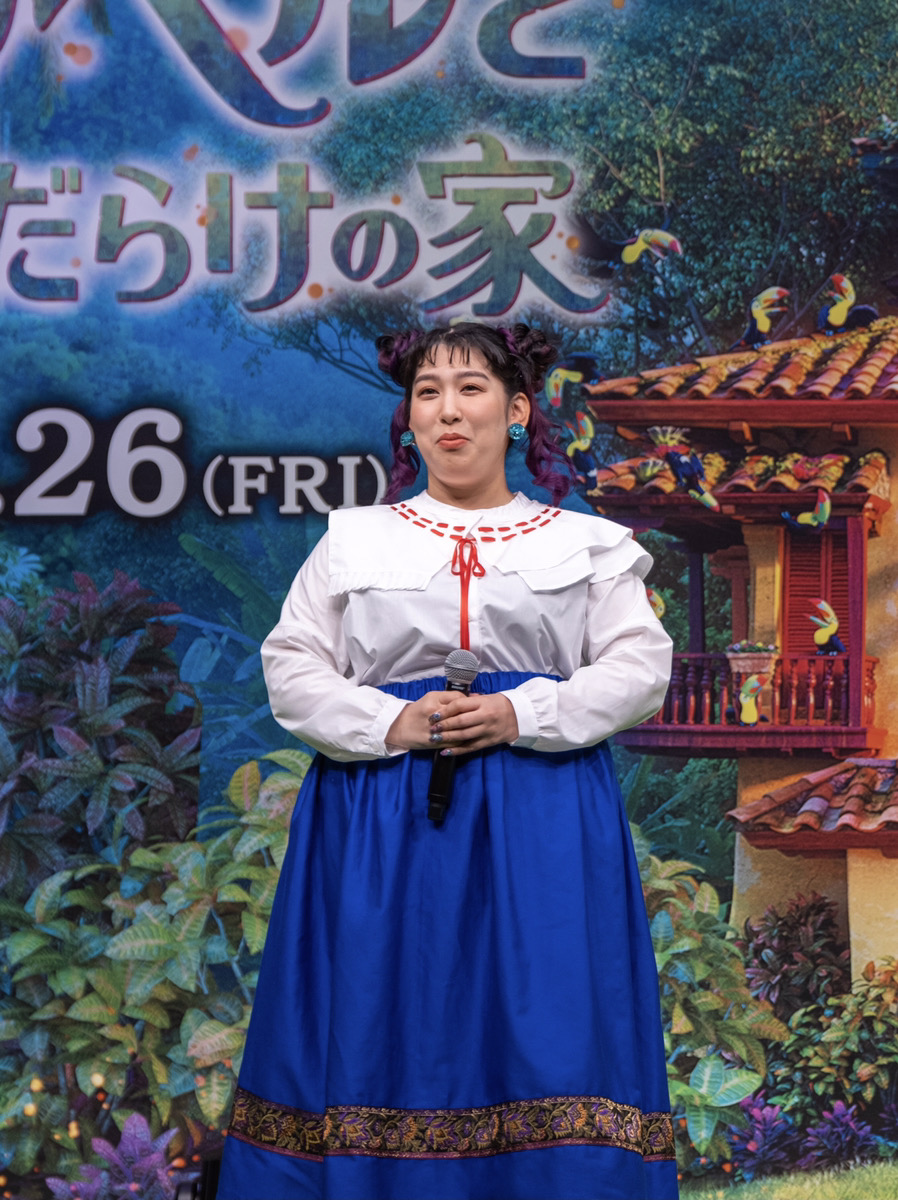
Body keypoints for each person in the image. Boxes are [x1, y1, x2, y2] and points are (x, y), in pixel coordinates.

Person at [216, 323, 678, 1200]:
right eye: (428, 392)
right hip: (380, 817)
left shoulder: (585, 543)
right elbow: (292, 665)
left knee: (550, 1020)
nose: (448, 411)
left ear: (518, 411)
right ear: (411, 418)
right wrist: (391, 722)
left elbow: (639, 666)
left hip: (541, 810)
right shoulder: (353, 540)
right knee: (380, 1010)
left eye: (471, 389)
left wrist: (520, 712)